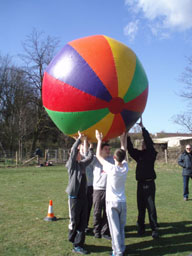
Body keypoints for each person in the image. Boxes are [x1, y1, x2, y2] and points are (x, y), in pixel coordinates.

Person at [95, 130, 129, 256]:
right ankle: (122, 247)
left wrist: (99, 140)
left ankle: (117, 252)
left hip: (112, 203)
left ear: (114, 158)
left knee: (114, 230)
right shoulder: (125, 168)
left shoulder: (111, 169)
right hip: (122, 202)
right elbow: (123, 150)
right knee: (121, 228)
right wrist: (123, 137)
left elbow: (98, 156)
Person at [126, 117, 159, 239]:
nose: (143, 144)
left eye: (144, 143)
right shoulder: (139, 155)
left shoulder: (151, 154)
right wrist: (127, 134)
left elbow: (149, 143)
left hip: (150, 184)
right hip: (140, 184)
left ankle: (154, 229)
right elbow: (130, 149)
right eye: (142, 143)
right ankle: (141, 228)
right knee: (140, 207)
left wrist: (143, 128)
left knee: (151, 207)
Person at [66, 131, 94, 255]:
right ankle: (73, 238)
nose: (80, 155)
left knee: (83, 221)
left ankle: (78, 244)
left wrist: (91, 148)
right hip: (74, 198)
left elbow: (90, 158)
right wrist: (79, 139)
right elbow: (73, 152)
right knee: (75, 221)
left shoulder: (82, 164)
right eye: (78, 154)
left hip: (84, 197)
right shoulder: (71, 165)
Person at [90, 140, 114, 240]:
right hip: (98, 190)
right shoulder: (95, 159)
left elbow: (123, 151)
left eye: (109, 149)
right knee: (97, 212)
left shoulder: (112, 159)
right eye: (106, 149)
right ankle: (96, 230)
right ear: (100, 150)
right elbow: (96, 153)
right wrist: (99, 140)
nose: (108, 151)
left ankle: (105, 232)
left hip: (109, 190)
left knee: (107, 212)